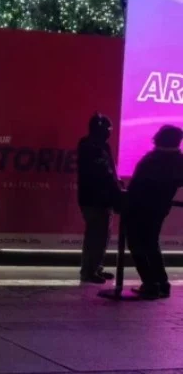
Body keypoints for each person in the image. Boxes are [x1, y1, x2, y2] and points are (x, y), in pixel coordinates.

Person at [123, 125, 183, 300]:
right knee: (151, 243)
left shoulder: (152, 160)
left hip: (139, 208)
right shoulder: (179, 161)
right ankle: (161, 283)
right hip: (160, 208)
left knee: (137, 244)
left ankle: (150, 284)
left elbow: (137, 186)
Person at [76, 112, 122, 284]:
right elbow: (104, 173)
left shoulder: (100, 146)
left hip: (101, 199)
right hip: (94, 199)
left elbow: (110, 170)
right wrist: (116, 191)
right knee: (96, 236)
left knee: (102, 235)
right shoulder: (91, 146)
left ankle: (95, 267)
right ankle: (89, 271)